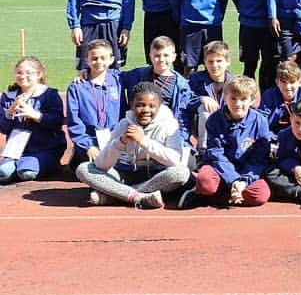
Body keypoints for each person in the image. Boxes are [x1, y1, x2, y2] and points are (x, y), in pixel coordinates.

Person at [76, 80, 190, 208]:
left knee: (181, 173)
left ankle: (117, 195)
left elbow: (174, 160)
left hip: (156, 176)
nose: (146, 110)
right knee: (83, 169)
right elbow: (101, 165)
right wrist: (120, 142)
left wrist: (143, 141)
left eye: (152, 106)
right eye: (140, 105)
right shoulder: (124, 124)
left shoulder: (169, 125)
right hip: (124, 174)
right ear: (131, 105)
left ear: (159, 107)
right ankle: (139, 197)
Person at [186, 75, 271, 208]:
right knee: (205, 183)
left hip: (245, 169)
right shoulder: (214, 120)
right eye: (233, 98)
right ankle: (223, 191)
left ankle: (221, 195)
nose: (238, 104)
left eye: (243, 99)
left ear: (252, 100)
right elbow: (216, 154)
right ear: (225, 98)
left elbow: (259, 158)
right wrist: (233, 179)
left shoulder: (260, 122)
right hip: (220, 168)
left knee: (261, 195)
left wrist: (243, 180)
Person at [0, 56, 65, 184]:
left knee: (27, 173)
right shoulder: (8, 97)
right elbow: (3, 128)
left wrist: (36, 115)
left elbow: (57, 122)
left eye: (29, 73)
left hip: (45, 148)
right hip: (16, 151)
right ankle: (19, 165)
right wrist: (10, 112)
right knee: (3, 173)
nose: (23, 76)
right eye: (19, 72)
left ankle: (48, 164)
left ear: (39, 74)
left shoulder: (49, 95)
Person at [119, 36, 192, 146]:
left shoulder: (182, 85)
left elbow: (182, 117)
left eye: (166, 55)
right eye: (157, 56)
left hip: (165, 131)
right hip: (139, 128)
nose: (161, 59)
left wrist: (181, 140)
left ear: (174, 57)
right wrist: (87, 71)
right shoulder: (138, 74)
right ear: (150, 57)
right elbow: (115, 76)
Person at [65, 39, 123, 173]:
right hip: (89, 143)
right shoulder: (77, 87)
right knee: (91, 169)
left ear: (111, 59)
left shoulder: (119, 79)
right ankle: (80, 155)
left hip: (114, 142)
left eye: (103, 58)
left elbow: (144, 72)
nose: (99, 62)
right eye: (94, 58)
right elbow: (74, 122)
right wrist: (88, 146)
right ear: (87, 60)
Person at [185, 41, 233, 153]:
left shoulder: (234, 82)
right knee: (205, 108)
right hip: (199, 125)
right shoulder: (195, 79)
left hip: (226, 125)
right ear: (205, 63)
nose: (214, 65)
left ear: (228, 62)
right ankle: (203, 149)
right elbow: (184, 99)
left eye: (219, 61)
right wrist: (201, 99)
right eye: (210, 62)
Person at [259, 61, 301, 142]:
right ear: (277, 82)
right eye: (283, 82)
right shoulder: (268, 95)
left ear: (300, 82)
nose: (288, 87)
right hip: (273, 136)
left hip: (297, 136)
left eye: (292, 82)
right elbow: (262, 123)